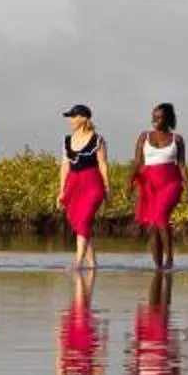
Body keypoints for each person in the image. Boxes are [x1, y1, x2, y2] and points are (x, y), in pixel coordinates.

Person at [129, 100, 187, 273]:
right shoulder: (143, 137)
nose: (155, 120)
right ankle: (158, 267)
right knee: (153, 226)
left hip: (171, 183)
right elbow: (138, 162)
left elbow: (182, 165)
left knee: (161, 217)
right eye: (153, 117)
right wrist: (129, 182)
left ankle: (169, 260)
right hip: (149, 185)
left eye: (159, 117)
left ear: (168, 119)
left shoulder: (177, 139)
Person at [58, 103, 110, 275]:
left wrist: (107, 188)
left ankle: (78, 261)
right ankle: (92, 265)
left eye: (73, 117)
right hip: (73, 184)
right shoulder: (67, 140)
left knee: (83, 220)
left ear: (83, 118)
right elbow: (64, 167)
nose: (71, 120)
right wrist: (61, 190)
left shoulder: (97, 140)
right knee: (78, 222)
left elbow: (102, 164)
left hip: (92, 183)